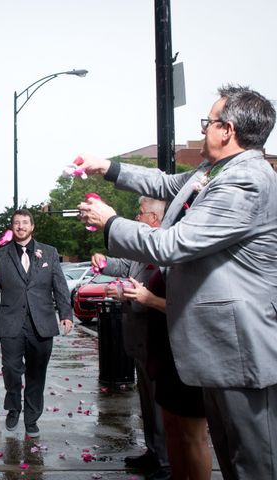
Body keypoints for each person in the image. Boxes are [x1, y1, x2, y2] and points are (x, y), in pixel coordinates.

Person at [77, 85, 277, 480]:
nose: (203, 129)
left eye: (209, 122)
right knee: (229, 453)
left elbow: (174, 243)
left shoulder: (247, 180)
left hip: (239, 345)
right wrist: (108, 168)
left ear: (228, 129)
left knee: (254, 463)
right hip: (215, 348)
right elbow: (166, 185)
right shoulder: (212, 171)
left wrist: (112, 223)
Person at [0, 209, 73, 438]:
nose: (21, 226)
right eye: (17, 223)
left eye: (25, 222)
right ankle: (13, 407)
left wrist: (65, 314)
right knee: (11, 369)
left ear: (32, 226)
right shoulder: (0, 256)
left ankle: (31, 418)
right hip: (11, 322)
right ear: (12, 227)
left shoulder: (49, 253)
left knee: (37, 374)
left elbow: (59, 286)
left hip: (42, 322)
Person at [92, 197, 170, 479]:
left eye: (140, 213)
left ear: (155, 218)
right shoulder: (142, 248)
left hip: (157, 338)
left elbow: (156, 294)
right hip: (138, 338)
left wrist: (125, 294)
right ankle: (154, 451)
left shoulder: (164, 249)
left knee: (161, 404)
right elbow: (125, 267)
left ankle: (165, 463)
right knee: (147, 403)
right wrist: (104, 264)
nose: (137, 217)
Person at [123, 270, 212, 480]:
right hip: (164, 356)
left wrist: (150, 300)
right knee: (173, 430)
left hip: (187, 355)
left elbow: (194, 308)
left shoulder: (193, 259)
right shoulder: (165, 262)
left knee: (193, 437)